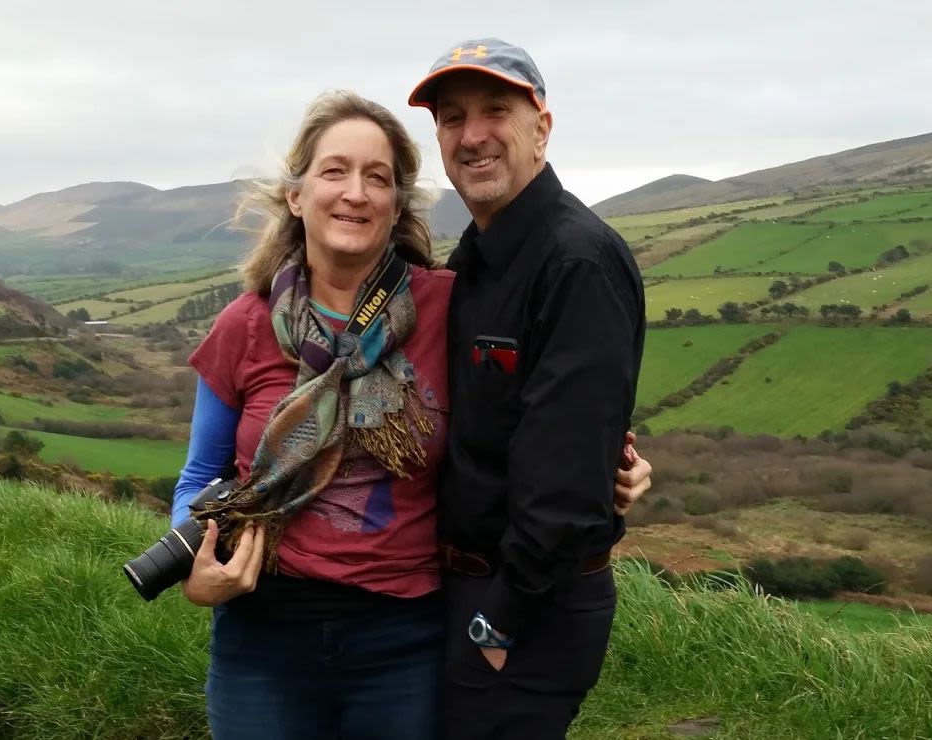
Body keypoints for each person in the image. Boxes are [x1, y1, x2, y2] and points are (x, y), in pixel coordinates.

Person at [170, 89, 652, 740]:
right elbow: (201, 469)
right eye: (334, 171)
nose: (356, 193)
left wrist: (611, 469)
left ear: (397, 205)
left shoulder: (451, 307)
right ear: (295, 194)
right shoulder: (245, 325)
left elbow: (539, 411)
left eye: (378, 178)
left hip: (403, 636)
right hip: (263, 633)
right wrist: (196, 572)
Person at [407, 38, 647, 739]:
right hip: (468, 588)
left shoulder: (577, 262)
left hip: (523, 607)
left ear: (541, 127)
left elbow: (566, 483)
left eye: (495, 111)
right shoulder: (477, 259)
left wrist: (499, 622)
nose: (472, 135)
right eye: (452, 118)